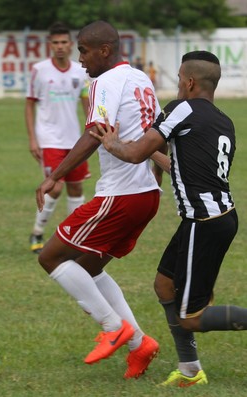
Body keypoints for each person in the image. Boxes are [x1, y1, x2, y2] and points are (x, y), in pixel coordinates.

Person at [90, 50, 247, 387]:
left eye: (178, 80)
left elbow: (134, 155)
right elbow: (183, 168)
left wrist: (112, 142)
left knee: (192, 317)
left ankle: (192, 367)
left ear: (189, 82)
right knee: (164, 284)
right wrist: (147, 150)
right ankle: (190, 370)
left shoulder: (182, 109)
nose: (176, 87)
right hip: (217, 218)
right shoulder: (223, 120)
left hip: (203, 223)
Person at [35, 20, 165, 379]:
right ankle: (140, 345)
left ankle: (113, 327)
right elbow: (157, 135)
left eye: (84, 50)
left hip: (121, 194)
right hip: (147, 195)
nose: (80, 60)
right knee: (89, 267)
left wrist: (54, 176)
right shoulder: (141, 79)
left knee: (51, 257)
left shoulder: (104, 82)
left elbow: (94, 135)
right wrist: (159, 178)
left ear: (104, 50)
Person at [25, 21, 91, 254]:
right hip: (49, 138)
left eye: (64, 42)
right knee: (54, 188)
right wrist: (33, 139)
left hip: (75, 139)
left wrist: (91, 131)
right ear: (50, 45)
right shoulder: (39, 70)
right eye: (56, 43)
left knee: (76, 188)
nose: (60, 46)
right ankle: (37, 232)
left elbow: (86, 102)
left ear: (71, 44)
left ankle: (74, 238)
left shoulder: (79, 70)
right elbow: (29, 104)